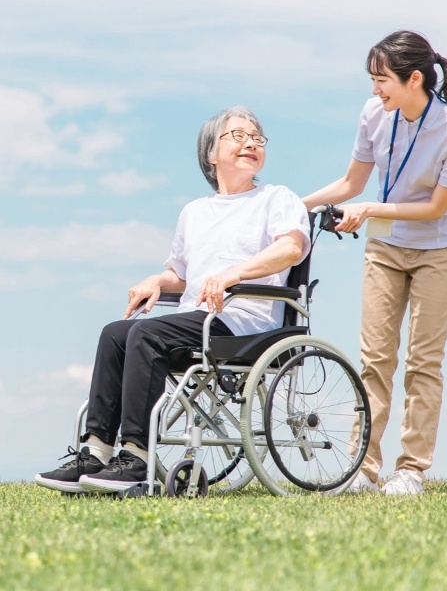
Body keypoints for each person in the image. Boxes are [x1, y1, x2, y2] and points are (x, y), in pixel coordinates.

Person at [35, 106, 310, 494]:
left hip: (245, 322)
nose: (250, 142)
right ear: (211, 154)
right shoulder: (195, 212)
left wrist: (235, 273)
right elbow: (183, 275)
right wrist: (157, 281)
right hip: (196, 317)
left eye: (257, 138)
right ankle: (95, 451)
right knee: (115, 333)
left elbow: (290, 249)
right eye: (237, 135)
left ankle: (136, 455)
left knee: (146, 335)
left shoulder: (277, 199)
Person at [303, 31, 447, 495]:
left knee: (422, 362)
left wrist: (369, 210)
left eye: (381, 79)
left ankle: (411, 470)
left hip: (439, 247)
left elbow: (434, 208)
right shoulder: (375, 114)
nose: (375, 90)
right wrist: (292, 204)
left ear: (414, 79)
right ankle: (363, 469)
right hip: (386, 246)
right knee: (374, 360)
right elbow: (353, 183)